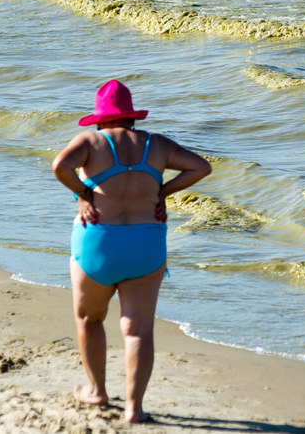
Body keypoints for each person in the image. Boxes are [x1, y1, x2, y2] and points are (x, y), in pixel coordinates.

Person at [51, 79, 211, 424]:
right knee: (139, 330)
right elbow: (201, 167)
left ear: (100, 118)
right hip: (146, 242)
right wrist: (162, 191)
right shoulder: (157, 144)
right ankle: (135, 409)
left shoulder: (90, 141)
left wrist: (83, 193)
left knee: (89, 319)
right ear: (131, 116)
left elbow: (59, 166)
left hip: (98, 240)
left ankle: (96, 391)